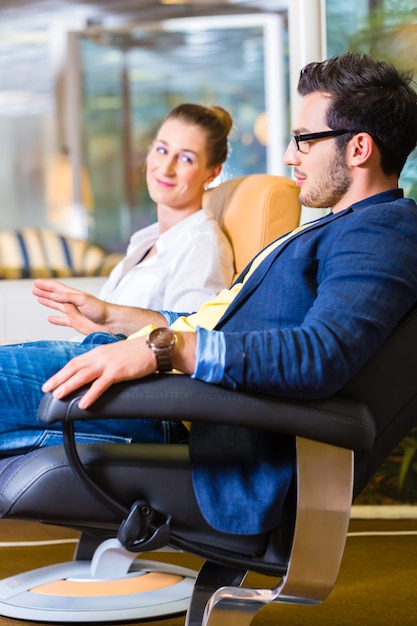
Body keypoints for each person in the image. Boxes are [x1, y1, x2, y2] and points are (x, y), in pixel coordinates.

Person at [2, 52, 417, 536]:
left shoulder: (382, 231)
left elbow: (323, 353)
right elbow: (222, 320)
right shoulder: (339, 226)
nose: (289, 155)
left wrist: (164, 350)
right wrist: (118, 317)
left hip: (180, 414)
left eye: (303, 140)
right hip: (165, 395)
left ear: (359, 148)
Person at [38, 103, 235, 330]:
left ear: (213, 172)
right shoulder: (146, 241)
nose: (166, 168)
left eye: (185, 159)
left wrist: (105, 330)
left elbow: (187, 341)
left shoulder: (201, 247)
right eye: (162, 150)